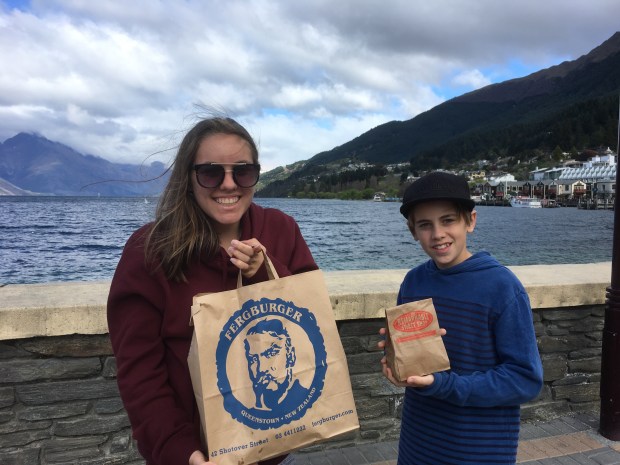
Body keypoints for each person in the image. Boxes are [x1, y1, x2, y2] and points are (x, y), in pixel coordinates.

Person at [107, 116, 318, 465]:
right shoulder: (149, 251)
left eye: (243, 172)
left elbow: (312, 322)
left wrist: (264, 273)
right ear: (188, 177)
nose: (228, 184)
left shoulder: (282, 229)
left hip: (274, 450)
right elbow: (140, 373)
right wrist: (183, 452)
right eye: (210, 172)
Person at [378, 171, 543, 465]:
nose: (437, 234)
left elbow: (525, 379)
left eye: (448, 220)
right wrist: (397, 363)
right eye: (425, 225)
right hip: (418, 445)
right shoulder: (413, 282)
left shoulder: (502, 287)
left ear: (471, 221)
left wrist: (443, 385)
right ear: (412, 230)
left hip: (478, 451)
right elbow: (417, 365)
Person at [244, 319, 310, 412]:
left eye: (271, 354)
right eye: (253, 359)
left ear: (291, 357)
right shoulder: (244, 415)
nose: (261, 369)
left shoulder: (316, 403)